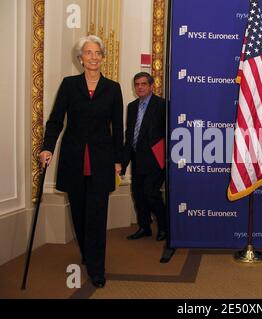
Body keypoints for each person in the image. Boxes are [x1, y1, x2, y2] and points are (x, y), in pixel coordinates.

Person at [39, 35, 123, 288]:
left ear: (103, 58)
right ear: (81, 59)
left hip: (101, 160)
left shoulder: (113, 88)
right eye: (88, 53)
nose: (93, 57)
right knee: (79, 212)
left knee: (97, 214)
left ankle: (97, 269)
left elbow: (118, 128)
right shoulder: (68, 85)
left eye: (97, 53)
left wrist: (119, 160)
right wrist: (47, 148)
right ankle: (88, 253)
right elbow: (56, 120)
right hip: (74, 159)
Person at [122, 72, 167, 242]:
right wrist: (123, 162)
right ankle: (144, 227)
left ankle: (163, 227)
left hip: (156, 159)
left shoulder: (162, 105)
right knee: (138, 194)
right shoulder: (131, 107)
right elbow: (129, 135)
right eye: (137, 84)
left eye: (143, 84)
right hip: (136, 158)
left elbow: (168, 133)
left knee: (151, 193)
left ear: (151, 86)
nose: (139, 87)